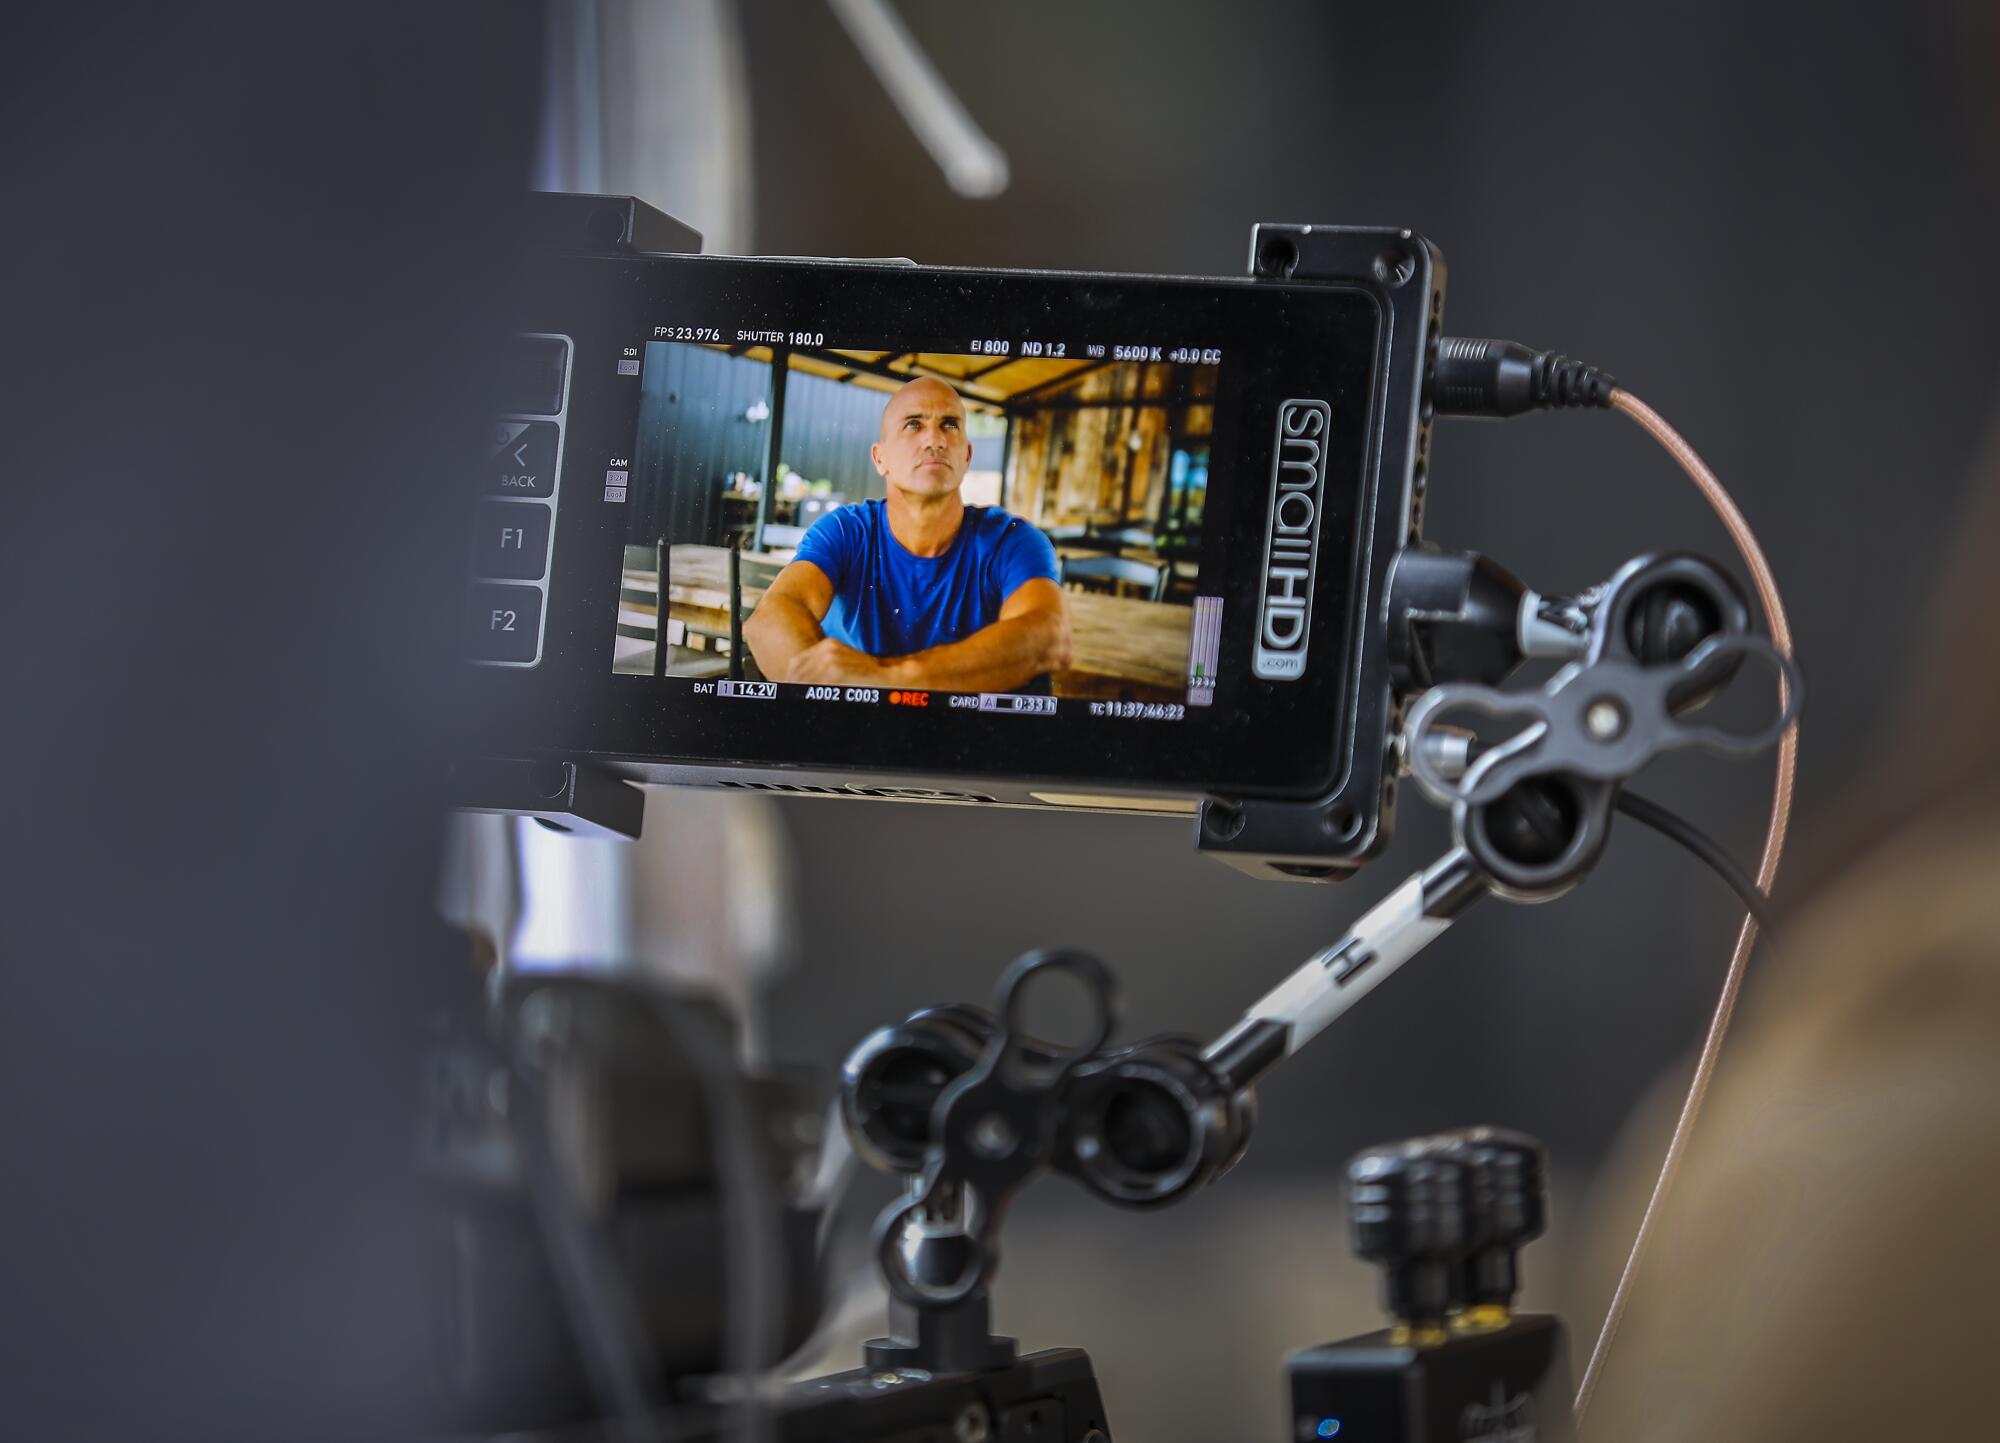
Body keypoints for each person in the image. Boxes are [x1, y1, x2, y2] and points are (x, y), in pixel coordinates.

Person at [742, 376, 1071, 691]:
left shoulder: (1011, 540)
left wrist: (885, 678)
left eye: (949, 424)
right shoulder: (846, 530)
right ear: (879, 457)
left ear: (967, 455)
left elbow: (1049, 637)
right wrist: (823, 689)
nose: (935, 440)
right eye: (914, 424)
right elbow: (770, 618)